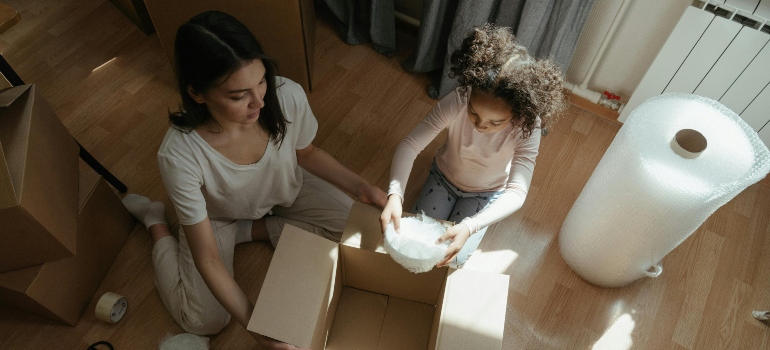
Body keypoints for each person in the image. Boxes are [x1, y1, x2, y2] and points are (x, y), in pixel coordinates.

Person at [121, 11, 387, 349]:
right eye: (238, 95)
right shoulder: (179, 155)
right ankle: (156, 222)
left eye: (261, 80)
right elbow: (208, 260)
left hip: (285, 186)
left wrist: (363, 188)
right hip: (217, 215)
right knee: (207, 320)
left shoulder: (285, 95)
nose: (259, 101)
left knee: (363, 232)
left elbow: (307, 154)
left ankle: (252, 231)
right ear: (198, 94)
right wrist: (257, 327)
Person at [380, 24, 567, 268]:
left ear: (517, 114)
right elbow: (410, 144)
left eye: (495, 122)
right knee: (415, 243)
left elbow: (517, 192)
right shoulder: (459, 99)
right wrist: (395, 194)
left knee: (451, 258)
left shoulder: (527, 125)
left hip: (488, 191)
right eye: (474, 113)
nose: (480, 125)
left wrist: (471, 226)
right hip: (443, 177)